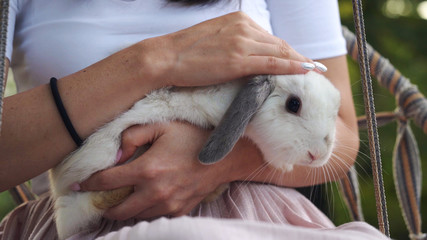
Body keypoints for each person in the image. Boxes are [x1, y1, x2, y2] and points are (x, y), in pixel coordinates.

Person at [0, 0, 388, 239]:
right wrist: (152, 62)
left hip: (256, 211)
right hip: (92, 213)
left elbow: (341, 134)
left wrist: (213, 162)